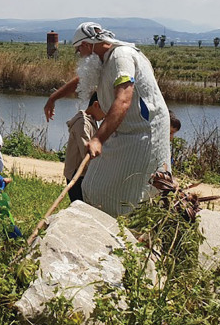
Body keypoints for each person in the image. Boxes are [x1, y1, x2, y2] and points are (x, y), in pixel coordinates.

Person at [45, 22, 170, 217]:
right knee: (94, 184)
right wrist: (54, 98)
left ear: (87, 45)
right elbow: (82, 80)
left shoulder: (121, 57)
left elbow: (123, 100)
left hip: (144, 134)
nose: (81, 55)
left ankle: (129, 227)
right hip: (123, 131)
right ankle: (107, 222)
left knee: (136, 187)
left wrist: (97, 139)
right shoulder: (104, 61)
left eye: (79, 50)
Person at [63, 92, 105, 202]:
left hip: (84, 174)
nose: (105, 115)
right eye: (105, 110)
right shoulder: (82, 123)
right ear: (96, 105)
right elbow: (86, 151)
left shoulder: (93, 121)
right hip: (76, 174)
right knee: (79, 205)